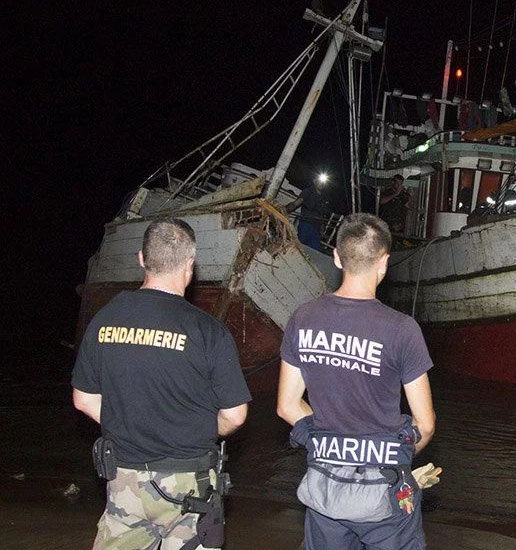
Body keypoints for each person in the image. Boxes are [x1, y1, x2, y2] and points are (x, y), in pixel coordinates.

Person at [72, 218, 251, 550]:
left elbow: (83, 399)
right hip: (190, 483)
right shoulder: (208, 331)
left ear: (142, 259)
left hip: (125, 476)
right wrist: (190, 430)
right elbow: (235, 415)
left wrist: (130, 425)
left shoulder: (105, 319)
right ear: (190, 264)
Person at [277, 212, 436, 550]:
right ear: (384, 262)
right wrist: (392, 460)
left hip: (325, 490)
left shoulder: (302, 318)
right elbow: (425, 424)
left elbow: (287, 406)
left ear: (336, 257)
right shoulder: (402, 329)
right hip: (385, 500)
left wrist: (332, 447)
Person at [294, 176, 328, 249]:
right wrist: (285, 209)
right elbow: (296, 204)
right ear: (314, 181)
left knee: (313, 252)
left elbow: (322, 214)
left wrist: (322, 227)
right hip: (306, 225)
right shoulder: (308, 191)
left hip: (316, 230)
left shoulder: (322, 199)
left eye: (323, 182)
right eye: (320, 180)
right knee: (298, 248)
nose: (322, 183)